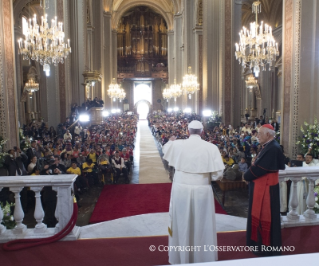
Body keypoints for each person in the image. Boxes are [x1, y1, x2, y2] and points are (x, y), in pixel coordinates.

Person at [162, 120, 225, 264]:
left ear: (187, 131)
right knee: (202, 223)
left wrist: (172, 140)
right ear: (202, 132)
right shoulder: (211, 148)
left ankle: (180, 258)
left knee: (181, 221)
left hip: (180, 189)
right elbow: (217, 175)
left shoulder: (177, 144)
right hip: (202, 189)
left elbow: (166, 148)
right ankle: (202, 258)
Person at [244, 124, 285, 256]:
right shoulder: (269, 146)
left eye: (260, 134)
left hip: (266, 190)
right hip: (264, 186)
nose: (257, 136)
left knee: (265, 215)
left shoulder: (272, 148)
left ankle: (265, 246)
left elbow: (260, 169)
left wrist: (246, 175)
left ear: (268, 134)